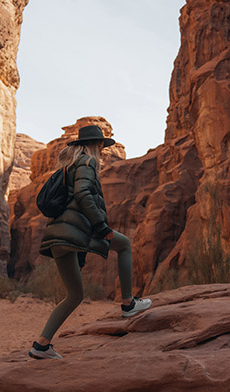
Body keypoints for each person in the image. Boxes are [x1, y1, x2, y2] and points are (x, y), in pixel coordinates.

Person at [28, 124, 151, 360]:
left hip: (58, 236)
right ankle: (128, 304)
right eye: (100, 146)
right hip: (77, 230)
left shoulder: (68, 167)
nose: (102, 151)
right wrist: (100, 226)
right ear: (93, 145)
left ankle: (41, 345)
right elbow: (84, 194)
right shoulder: (87, 163)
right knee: (124, 245)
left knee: (74, 295)